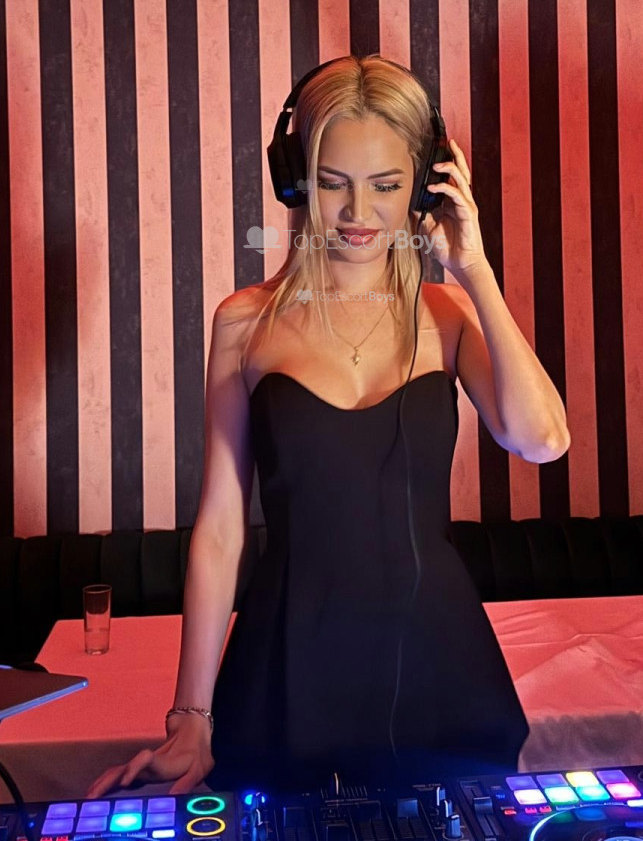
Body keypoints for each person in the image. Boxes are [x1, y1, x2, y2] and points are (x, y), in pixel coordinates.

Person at [86, 54, 570, 799]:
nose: (357, 213)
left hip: (441, 669)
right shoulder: (243, 322)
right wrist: (191, 716)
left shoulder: (450, 316)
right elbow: (221, 527)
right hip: (284, 671)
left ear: (425, 186)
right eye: (334, 182)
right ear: (296, 179)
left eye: (387, 186)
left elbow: (541, 441)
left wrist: (474, 270)